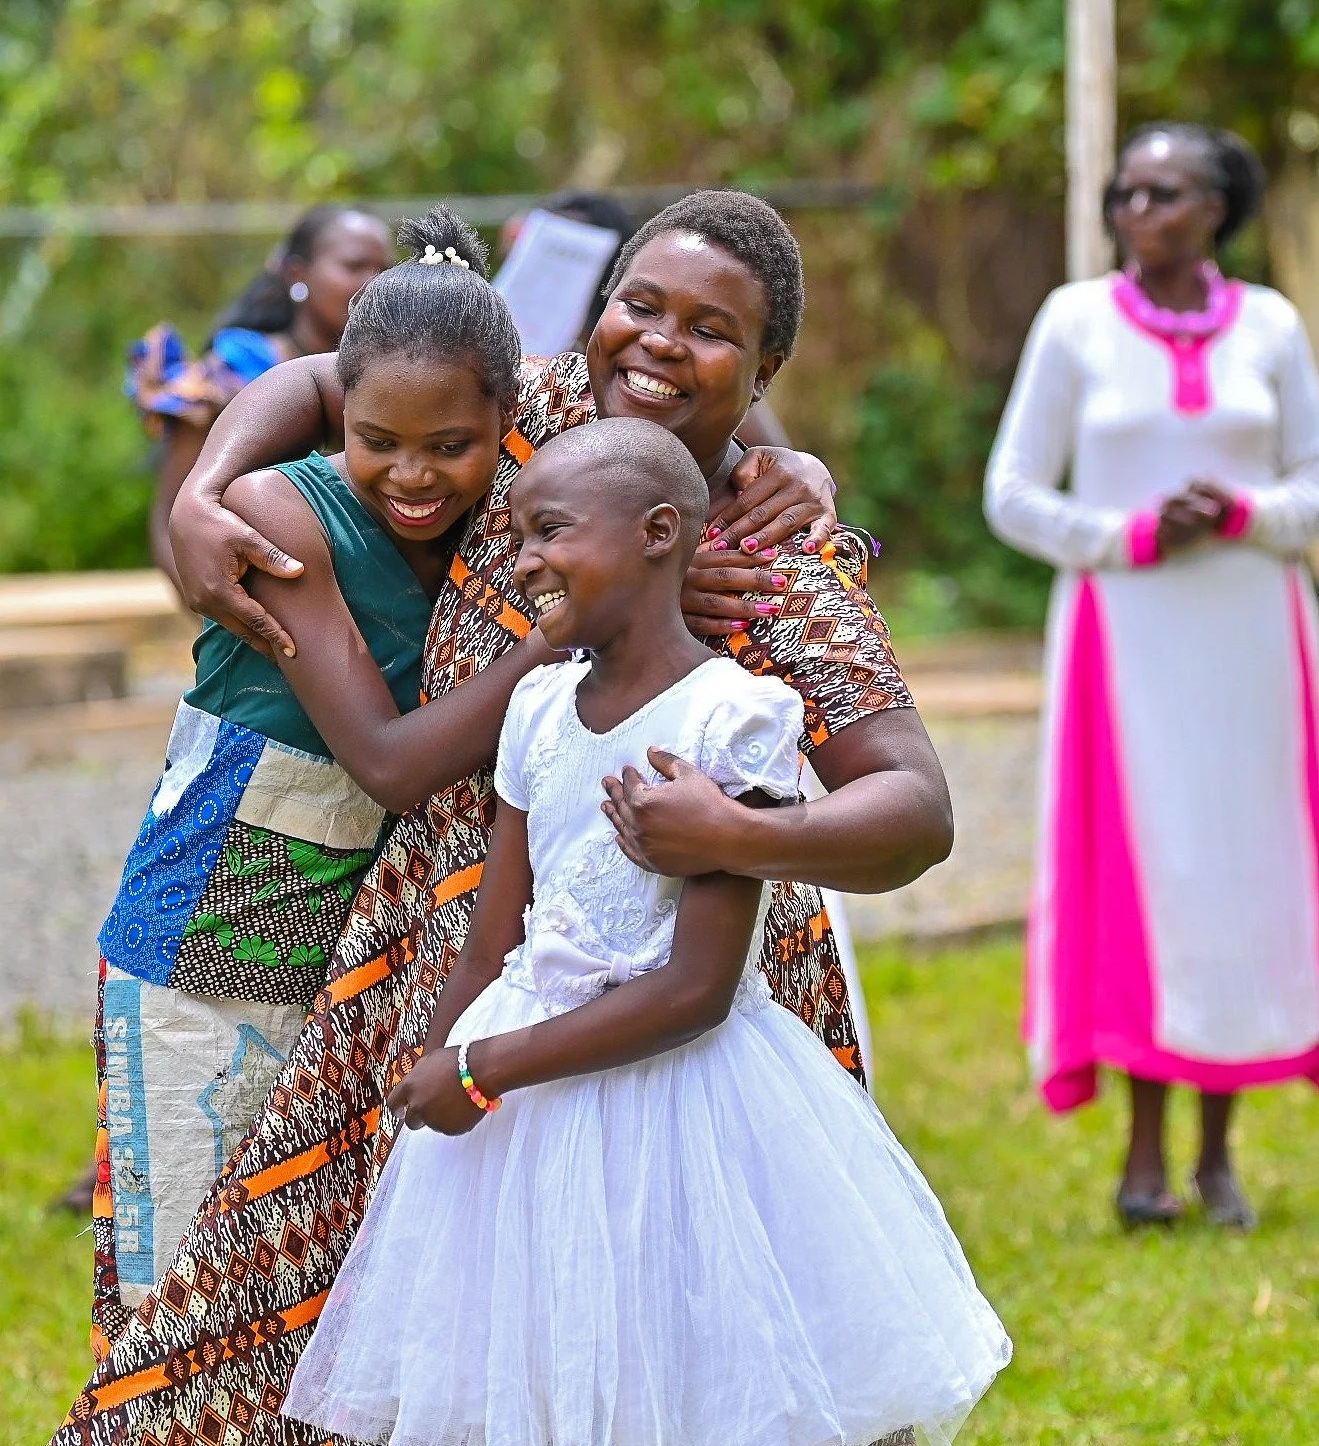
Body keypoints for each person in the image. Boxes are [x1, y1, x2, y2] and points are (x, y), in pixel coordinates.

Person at [57, 191, 953, 1439]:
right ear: (596, 311)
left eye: (709, 330)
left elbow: (912, 805)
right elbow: (332, 376)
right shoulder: (524, 425)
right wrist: (204, 484)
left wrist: (739, 831)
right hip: (441, 949)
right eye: (639, 305)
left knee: (680, 1326)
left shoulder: (767, 562)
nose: (658, 342)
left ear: (766, 371)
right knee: (348, 1306)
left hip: (681, 971)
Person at [284, 418, 1010, 1446]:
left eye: (550, 531)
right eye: (519, 538)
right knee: (536, 1370)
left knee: (677, 1374)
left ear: (659, 532)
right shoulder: (537, 708)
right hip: (524, 1114)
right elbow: (495, 942)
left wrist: (482, 1068)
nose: (523, 561)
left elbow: (694, 991)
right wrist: (437, 1075)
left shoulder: (731, 718)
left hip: (679, 1106)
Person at [89, 208, 544, 1350]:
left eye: (449, 444)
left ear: (509, 415)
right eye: (379, 438)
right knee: (183, 1297)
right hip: (208, 930)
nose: (412, 474)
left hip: (362, 951)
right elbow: (388, 765)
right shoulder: (279, 511)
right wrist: (569, 635)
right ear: (344, 408)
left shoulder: (509, 503)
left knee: (321, 1294)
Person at [984, 123, 1319, 1230]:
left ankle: (1218, 1157)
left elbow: (1312, 483)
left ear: (1217, 207)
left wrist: (1241, 513)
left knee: (1240, 876)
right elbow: (1011, 493)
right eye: (1124, 192)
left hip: (1255, 642)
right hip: (1124, 639)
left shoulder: (1269, 325)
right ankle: (1140, 1160)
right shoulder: (1072, 321)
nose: (1137, 210)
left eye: (1164, 193)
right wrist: (1127, 534)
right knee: (1143, 870)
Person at [127, 203, 393, 590]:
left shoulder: (394, 376)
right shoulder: (235, 372)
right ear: (298, 274)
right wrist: (220, 613)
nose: (374, 283)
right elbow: (173, 519)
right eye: (354, 266)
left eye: (385, 269)